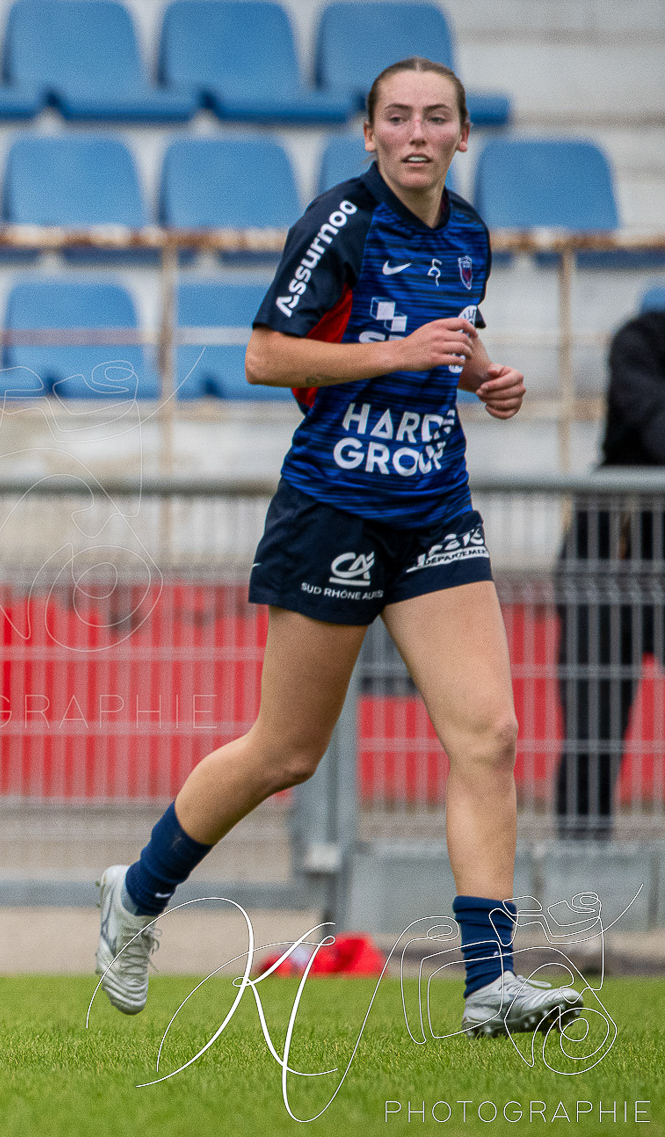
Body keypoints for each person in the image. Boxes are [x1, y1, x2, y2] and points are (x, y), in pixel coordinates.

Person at [92, 58, 584, 1038]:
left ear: (462, 134)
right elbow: (264, 354)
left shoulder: (471, 233)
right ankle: (137, 895)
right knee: (286, 753)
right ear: (370, 135)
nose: (414, 132)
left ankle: (490, 980)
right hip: (334, 508)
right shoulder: (343, 221)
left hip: (436, 507)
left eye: (433, 118)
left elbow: (448, 335)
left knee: (490, 735)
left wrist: (484, 375)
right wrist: (394, 357)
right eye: (395, 117)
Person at [554, 300, 665, 840]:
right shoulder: (640, 339)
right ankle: (581, 861)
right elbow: (656, 431)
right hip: (610, 550)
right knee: (593, 723)